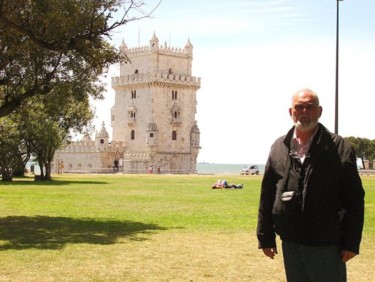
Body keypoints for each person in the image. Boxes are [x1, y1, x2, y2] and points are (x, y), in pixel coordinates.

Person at [256, 88, 365, 282]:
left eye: (310, 107)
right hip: (291, 243)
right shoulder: (279, 147)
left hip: (326, 245)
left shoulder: (339, 147)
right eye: (299, 107)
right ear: (291, 112)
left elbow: (354, 198)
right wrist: (265, 236)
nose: (304, 111)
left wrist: (351, 242)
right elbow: (268, 193)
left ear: (319, 111)